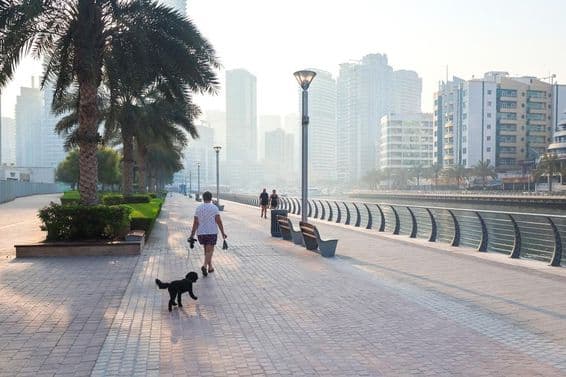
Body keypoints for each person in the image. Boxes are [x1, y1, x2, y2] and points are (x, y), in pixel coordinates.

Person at [189, 191, 227, 277]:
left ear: (203, 198)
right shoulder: (214, 208)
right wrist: (223, 232)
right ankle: (204, 265)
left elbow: (195, 222)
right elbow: (218, 221)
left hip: (201, 233)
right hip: (211, 232)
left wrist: (192, 234)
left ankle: (210, 267)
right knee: (210, 250)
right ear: (211, 198)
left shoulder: (198, 208)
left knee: (206, 250)